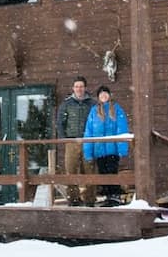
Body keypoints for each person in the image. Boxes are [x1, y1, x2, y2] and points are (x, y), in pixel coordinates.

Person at [83, 85, 130, 207]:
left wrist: (122, 148)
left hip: (112, 149)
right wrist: (88, 151)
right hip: (99, 149)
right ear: (98, 97)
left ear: (109, 95)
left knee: (112, 171)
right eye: (101, 94)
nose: (103, 96)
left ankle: (114, 196)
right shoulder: (94, 111)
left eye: (105, 93)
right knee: (103, 172)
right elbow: (89, 131)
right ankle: (108, 196)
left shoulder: (116, 109)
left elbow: (122, 129)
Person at [55, 76, 95, 206]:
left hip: (88, 141)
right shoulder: (66, 104)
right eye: (77, 86)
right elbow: (60, 123)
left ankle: (89, 199)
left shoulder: (92, 103)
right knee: (71, 169)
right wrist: (64, 139)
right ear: (73, 88)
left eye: (81, 86)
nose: (79, 89)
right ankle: (73, 199)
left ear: (85, 88)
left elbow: (97, 121)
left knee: (89, 170)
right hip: (71, 141)